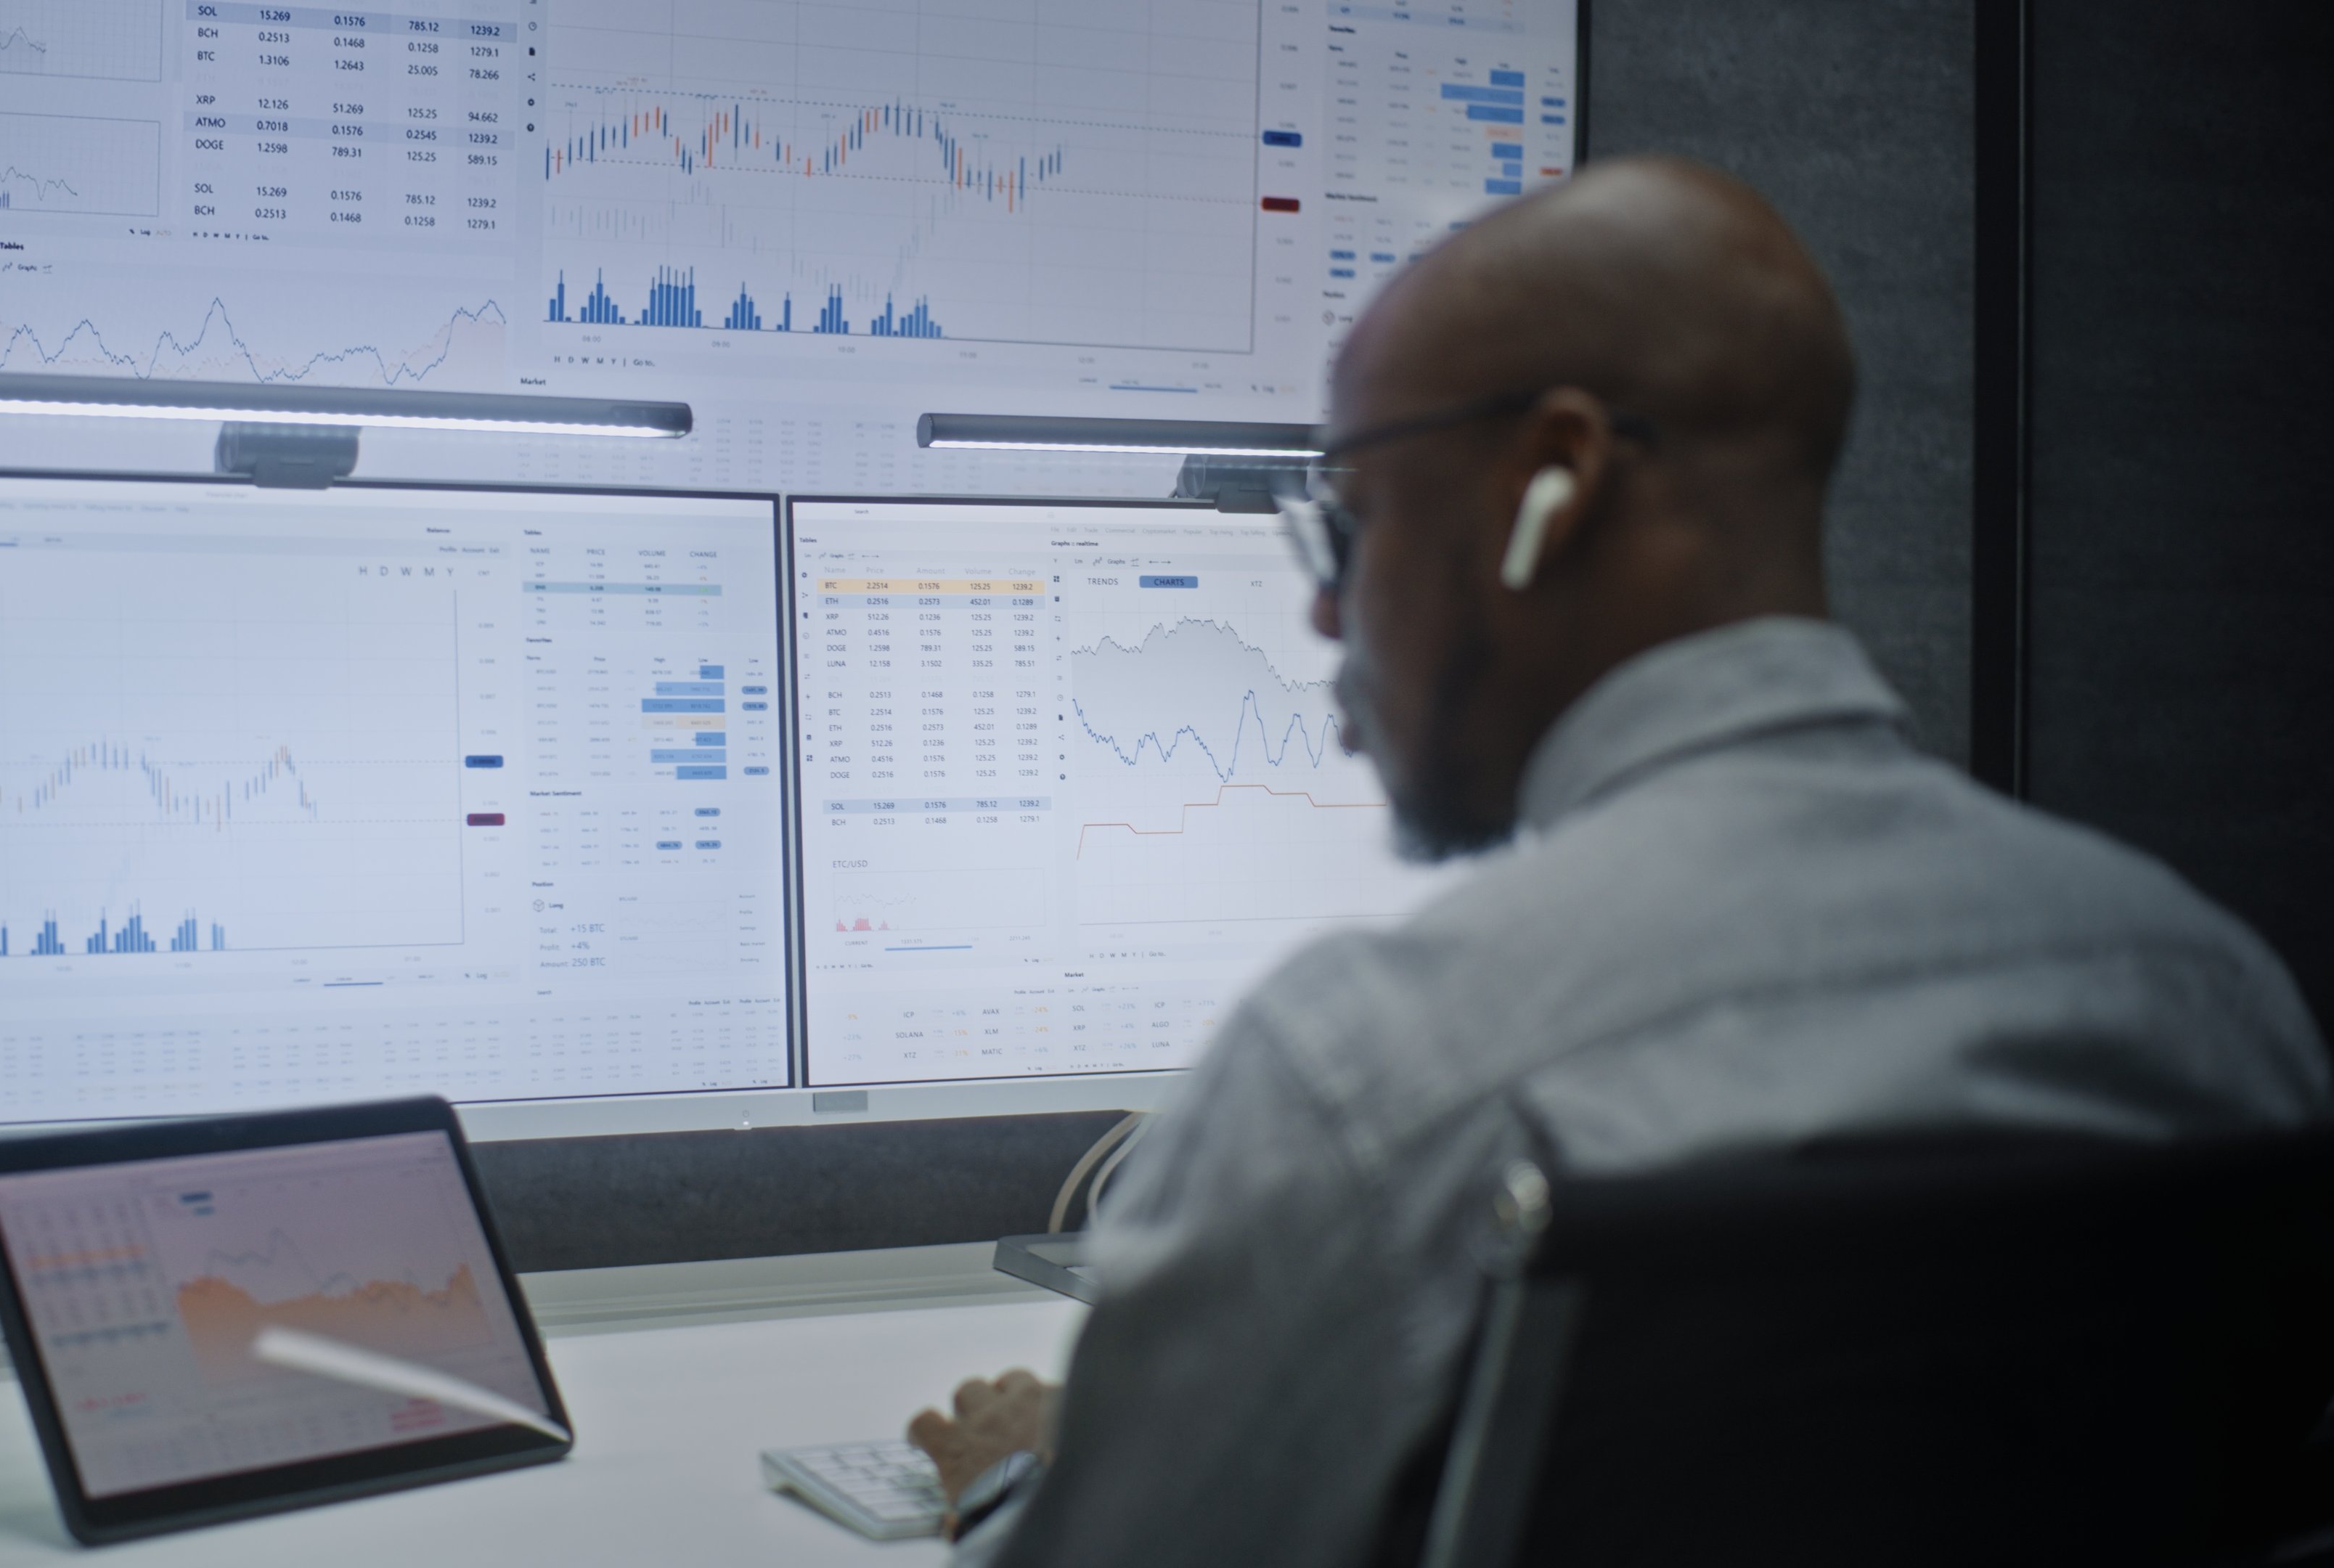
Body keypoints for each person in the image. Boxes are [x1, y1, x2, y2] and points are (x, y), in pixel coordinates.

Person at [905, 156, 2332, 1567]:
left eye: (1351, 521)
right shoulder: (2215, 1005)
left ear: (1553, 487)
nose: (1330, 612)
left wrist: (1019, 1490)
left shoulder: (1364, 1081)